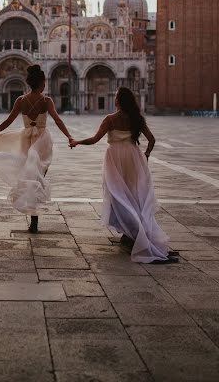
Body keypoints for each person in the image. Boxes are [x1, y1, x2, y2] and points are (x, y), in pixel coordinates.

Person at [69, 87, 177, 263]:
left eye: (117, 97)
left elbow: (94, 139)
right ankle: (131, 231)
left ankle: (129, 231)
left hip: (114, 159)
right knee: (134, 195)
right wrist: (146, 156)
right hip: (134, 158)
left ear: (118, 101)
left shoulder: (110, 119)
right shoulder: (137, 119)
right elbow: (152, 140)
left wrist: (77, 142)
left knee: (117, 194)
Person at [0, 64, 72, 233]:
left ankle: (33, 219)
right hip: (42, 142)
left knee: (29, 175)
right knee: (36, 177)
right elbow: (58, 120)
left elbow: (8, 121)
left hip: (25, 139)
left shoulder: (21, 100)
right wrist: (69, 136)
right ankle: (34, 218)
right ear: (42, 83)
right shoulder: (46, 101)